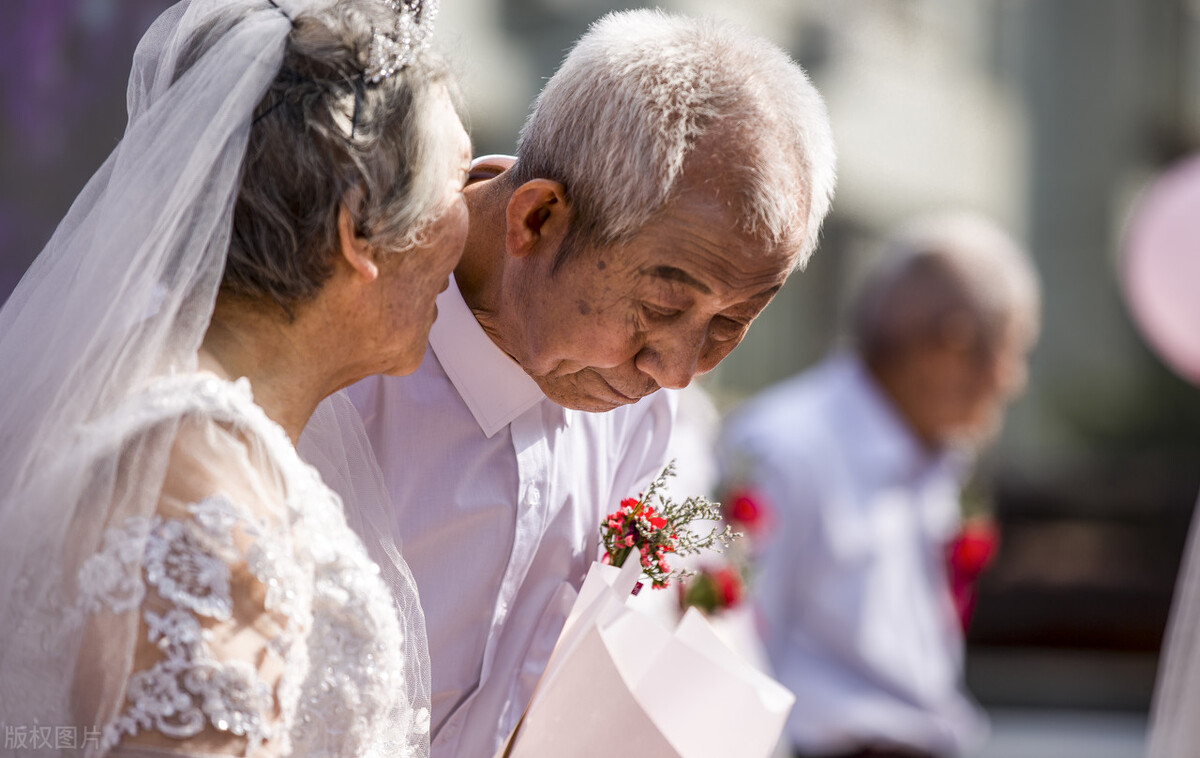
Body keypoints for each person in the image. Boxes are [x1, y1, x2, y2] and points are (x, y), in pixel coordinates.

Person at [300, 9, 838, 758]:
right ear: (539, 217)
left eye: (731, 323)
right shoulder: (331, 349)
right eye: (660, 309)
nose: (676, 371)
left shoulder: (644, 415)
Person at [0, 0, 469, 755]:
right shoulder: (196, 475)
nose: (469, 219)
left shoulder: (182, 426)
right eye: (458, 177)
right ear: (358, 230)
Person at [718, 213, 1040, 758]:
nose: (1013, 380)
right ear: (950, 348)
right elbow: (732, 655)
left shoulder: (939, 454)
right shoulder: (786, 448)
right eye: (1011, 351)